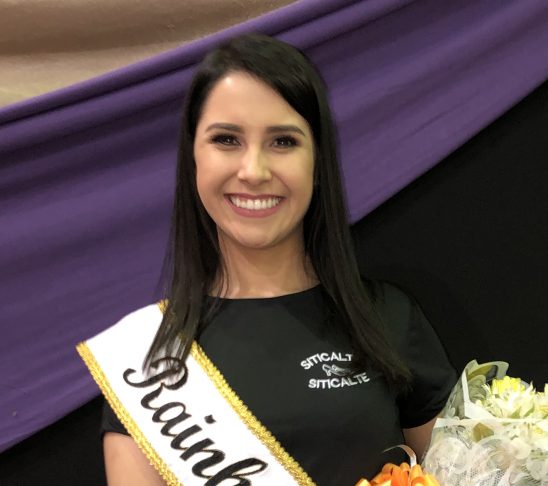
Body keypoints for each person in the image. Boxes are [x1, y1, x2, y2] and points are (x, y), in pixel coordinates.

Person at [86, 34, 456, 485]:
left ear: (316, 162)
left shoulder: (388, 317)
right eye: (226, 139)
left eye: (283, 141)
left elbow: (466, 474)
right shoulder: (147, 360)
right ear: (193, 158)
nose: (253, 171)